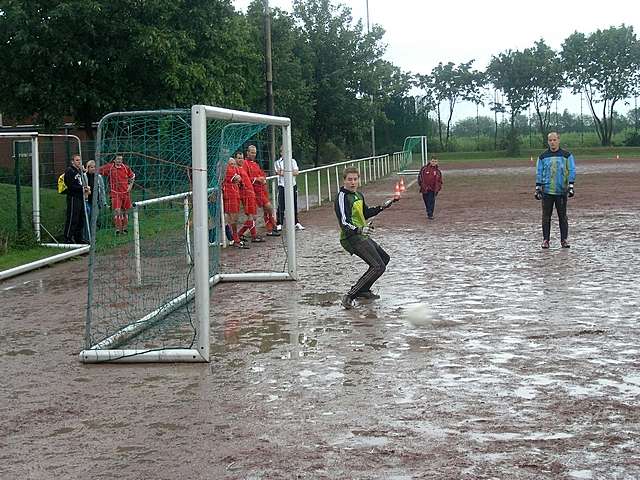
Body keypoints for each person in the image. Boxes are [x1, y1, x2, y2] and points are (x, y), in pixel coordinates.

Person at [334, 167, 396, 309]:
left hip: (361, 235)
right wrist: (359, 229)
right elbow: (344, 222)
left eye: (355, 179)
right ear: (344, 180)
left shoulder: (358, 195)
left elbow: (365, 213)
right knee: (378, 266)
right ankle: (350, 295)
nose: (353, 182)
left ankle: (364, 290)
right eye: (350, 179)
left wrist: (382, 207)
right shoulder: (342, 197)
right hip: (351, 237)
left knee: (384, 259)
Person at [535, 131, 576, 249]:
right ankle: (546, 240)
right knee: (546, 217)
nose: (552, 142)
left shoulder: (567, 155)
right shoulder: (542, 157)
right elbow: (539, 172)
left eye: (554, 140)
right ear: (548, 142)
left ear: (558, 140)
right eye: (550, 140)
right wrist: (538, 188)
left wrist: (571, 186)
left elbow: (571, 170)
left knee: (562, 217)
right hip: (547, 191)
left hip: (561, 191)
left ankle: (564, 240)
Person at [244, 145, 280, 236]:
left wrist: (263, 178)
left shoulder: (255, 164)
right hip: (253, 191)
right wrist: (257, 179)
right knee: (267, 208)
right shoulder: (245, 163)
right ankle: (274, 225)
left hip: (262, 189)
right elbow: (246, 178)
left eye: (255, 152)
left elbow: (262, 173)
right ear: (247, 153)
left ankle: (270, 229)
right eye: (252, 152)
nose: (253, 154)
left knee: (266, 209)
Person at [99, 154, 135, 234]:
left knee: (125, 211)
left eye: (121, 159)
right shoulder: (110, 167)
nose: (119, 161)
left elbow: (132, 176)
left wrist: (130, 186)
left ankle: (125, 229)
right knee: (117, 211)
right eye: (118, 159)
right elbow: (98, 170)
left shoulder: (126, 168)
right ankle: (118, 229)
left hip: (125, 193)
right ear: (114, 160)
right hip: (115, 193)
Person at [234, 151, 264, 243]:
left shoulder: (242, 168)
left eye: (241, 158)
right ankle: (253, 236)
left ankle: (240, 234)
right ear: (235, 159)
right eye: (238, 158)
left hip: (250, 193)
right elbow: (237, 181)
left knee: (253, 216)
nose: (240, 160)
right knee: (251, 216)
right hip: (245, 194)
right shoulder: (236, 169)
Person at [274, 145, 304, 231]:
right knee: (281, 204)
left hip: (292, 185)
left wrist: (286, 172)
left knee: (294, 204)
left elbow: (296, 172)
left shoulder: (293, 161)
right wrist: (290, 172)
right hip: (282, 185)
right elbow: (279, 172)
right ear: (281, 152)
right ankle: (279, 223)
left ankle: (296, 222)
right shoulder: (277, 162)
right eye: (284, 151)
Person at [63, 154, 91, 244]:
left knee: (81, 217)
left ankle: (78, 237)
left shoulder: (80, 172)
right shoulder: (70, 171)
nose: (79, 162)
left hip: (81, 197)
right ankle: (68, 237)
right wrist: (82, 188)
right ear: (72, 161)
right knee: (73, 218)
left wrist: (84, 172)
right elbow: (71, 185)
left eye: (80, 160)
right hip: (73, 197)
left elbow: (84, 181)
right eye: (77, 160)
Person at [222, 156, 248, 248]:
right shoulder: (227, 170)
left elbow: (239, 179)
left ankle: (233, 237)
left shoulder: (234, 169)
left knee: (233, 218)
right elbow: (237, 178)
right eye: (231, 164)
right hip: (229, 196)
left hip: (235, 195)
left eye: (233, 164)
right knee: (231, 218)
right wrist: (238, 177)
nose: (233, 166)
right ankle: (234, 238)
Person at [84, 160, 107, 240]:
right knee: (87, 220)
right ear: (88, 167)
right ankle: (86, 238)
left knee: (94, 221)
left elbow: (102, 189)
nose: (93, 169)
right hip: (86, 202)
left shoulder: (99, 177)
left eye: (94, 167)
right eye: (91, 167)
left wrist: (103, 201)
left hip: (95, 202)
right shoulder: (84, 176)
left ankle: (92, 238)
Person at [418, 156, 443, 220]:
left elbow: (440, 181)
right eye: (432, 161)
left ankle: (430, 214)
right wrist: (421, 185)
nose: (434, 163)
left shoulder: (438, 171)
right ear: (430, 161)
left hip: (433, 189)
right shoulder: (424, 169)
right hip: (425, 189)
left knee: (431, 201)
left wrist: (438, 188)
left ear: (437, 162)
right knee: (426, 201)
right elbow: (420, 177)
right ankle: (428, 210)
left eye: (435, 161)